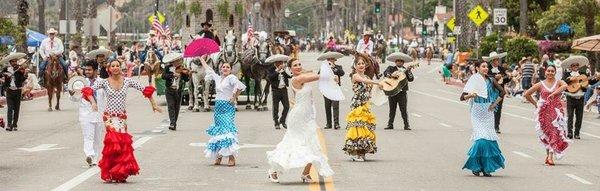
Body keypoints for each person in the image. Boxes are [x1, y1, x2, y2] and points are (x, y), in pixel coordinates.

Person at [82, 59, 162, 182]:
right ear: (109, 69)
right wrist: (93, 102)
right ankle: (110, 171)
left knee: (122, 145)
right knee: (113, 143)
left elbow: (145, 90)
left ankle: (120, 173)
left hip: (121, 118)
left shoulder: (127, 81)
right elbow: (88, 91)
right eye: (112, 66)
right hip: (109, 117)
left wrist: (154, 104)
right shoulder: (104, 82)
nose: (115, 68)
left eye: (117, 66)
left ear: (120, 67)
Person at [267, 58, 335, 183]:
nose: (298, 67)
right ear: (290, 69)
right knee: (292, 144)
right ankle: (273, 170)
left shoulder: (302, 75)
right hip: (297, 117)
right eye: (295, 65)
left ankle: (306, 173)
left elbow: (309, 74)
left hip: (308, 116)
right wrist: (328, 74)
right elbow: (317, 77)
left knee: (313, 144)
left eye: (299, 64)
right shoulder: (297, 79)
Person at [461, 61, 506, 177]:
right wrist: (472, 95)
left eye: (487, 67)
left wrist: (494, 104)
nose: (486, 68)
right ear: (477, 68)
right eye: (483, 66)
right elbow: (462, 97)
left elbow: (502, 92)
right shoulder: (473, 80)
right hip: (476, 112)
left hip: (488, 112)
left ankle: (486, 168)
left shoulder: (491, 80)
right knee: (481, 139)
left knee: (489, 139)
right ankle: (476, 166)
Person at [199, 56, 246, 166]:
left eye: (227, 67)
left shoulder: (231, 78)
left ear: (230, 69)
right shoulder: (217, 78)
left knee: (227, 131)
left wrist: (234, 98)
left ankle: (231, 157)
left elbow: (240, 87)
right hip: (218, 107)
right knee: (219, 131)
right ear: (220, 69)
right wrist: (201, 59)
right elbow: (208, 69)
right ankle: (219, 156)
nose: (225, 68)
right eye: (223, 67)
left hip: (228, 107)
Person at [524, 65, 570, 165]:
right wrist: (536, 104)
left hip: (556, 111)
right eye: (548, 71)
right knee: (546, 133)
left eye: (552, 71)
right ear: (545, 72)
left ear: (555, 72)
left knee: (555, 132)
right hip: (544, 112)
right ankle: (548, 155)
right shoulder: (540, 84)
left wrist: (554, 93)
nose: (550, 73)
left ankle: (550, 156)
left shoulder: (558, 82)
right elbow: (527, 94)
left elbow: (565, 86)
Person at [343, 54, 380, 161]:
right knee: (358, 128)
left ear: (366, 65)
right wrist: (377, 82)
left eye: (363, 63)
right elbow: (363, 81)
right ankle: (358, 153)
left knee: (365, 128)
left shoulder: (368, 77)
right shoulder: (355, 76)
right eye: (358, 64)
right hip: (357, 105)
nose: (361, 65)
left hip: (365, 105)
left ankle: (362, 153)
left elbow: (370, 89)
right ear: (355, 66)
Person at [69, 61, 106, 166]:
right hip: (86, 114)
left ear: (95, 70)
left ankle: (94, 159)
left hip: (99, 114)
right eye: (86, 70)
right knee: (88, 136)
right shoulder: (81, 82)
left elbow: (108, 95)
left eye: (89, 70)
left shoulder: (102, 82)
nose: (87, 72)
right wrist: (72, 94)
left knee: (97, 139)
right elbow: (75, 99)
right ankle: (89, 155)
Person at [383, 52, 415, 130]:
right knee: (392, 109)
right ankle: (390, 124)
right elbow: (385, 73)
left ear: (403, 62)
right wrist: (391, 75)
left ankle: (406, 125)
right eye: (398, 61)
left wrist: (409, 71)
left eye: (401, 61)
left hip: (402, 92)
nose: (399, 62)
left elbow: (411, 79)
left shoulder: (406, 70)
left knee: (403, 109)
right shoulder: (391, 68)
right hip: (392, 92)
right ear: (395, 62)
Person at [561, 55, 590, 139]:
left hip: (580, 97)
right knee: (570, 116)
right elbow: (563, 82)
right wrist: (570, 79)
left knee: (579, 116)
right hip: (570, 97)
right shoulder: (567, 74)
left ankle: (577, 133)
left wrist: (583, 85)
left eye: (577, 65)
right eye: (573, 65)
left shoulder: (583, 74)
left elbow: (586, 85)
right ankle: (569, 132)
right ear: (571, 67)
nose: (575, 67)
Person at [161, 53, 190, 131]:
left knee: (177, 108)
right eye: (177, 61)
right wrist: (173, 74)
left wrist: (187, 74)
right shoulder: (167, 68)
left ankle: (174, 122)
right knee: (171, 106)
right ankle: (172, 123)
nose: (179, 62)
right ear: (173, 62)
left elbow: (186, 79)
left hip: (179, 91)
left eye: (179, 60)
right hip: (169, 90)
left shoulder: (182, 68)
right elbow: (163, 76)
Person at [318, 52, 345, 129]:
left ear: (335, 60)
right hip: (327, 89)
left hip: (335, 89)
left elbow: (342, 73)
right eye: (328, 59)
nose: (330, 60)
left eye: (332, 59)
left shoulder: (338, 67)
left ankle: (336, 123)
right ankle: (328, 124)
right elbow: (319, 75)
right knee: (327, 106)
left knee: (335, 106)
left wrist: (334, 68)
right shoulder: (323, 68)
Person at [1, 53, 27, 131]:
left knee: (16, 108)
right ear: (10, 62)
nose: (14, 63)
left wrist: (25, 74)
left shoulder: (20, 69)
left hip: (18, 90)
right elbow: (0, 74)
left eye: (15, 61)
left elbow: (22, 79)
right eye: (12, 62)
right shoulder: (6, 69)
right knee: (10, 108)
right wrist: (5, 74)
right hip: (9, 90)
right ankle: (9, 125)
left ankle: (15, 124)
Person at [483, 51, 508, 134]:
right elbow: (485, 76)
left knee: (498, 109)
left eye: (498, 59)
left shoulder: (501, 69)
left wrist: (503, 78)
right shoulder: (487, 68)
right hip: (490, 91)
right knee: (488, 107)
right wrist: (494, 77)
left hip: (500, 91)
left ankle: (496, 126)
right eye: (495, 60)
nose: (497, 61)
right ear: (492, 61)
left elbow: (507, 78)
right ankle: (487, 125)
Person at [266, 54, 292, 130]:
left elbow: (290, 76)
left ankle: (282, 120)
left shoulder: (284, 69)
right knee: (275, 108)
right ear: (276, 63)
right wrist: (277, 70)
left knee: (287, 106)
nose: (281, 63)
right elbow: (270, 78)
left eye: (282, 62)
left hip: (284, 90)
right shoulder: (271, 69)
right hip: (275, 90)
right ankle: (276, 122)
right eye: (279, 62)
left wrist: (287, 69)